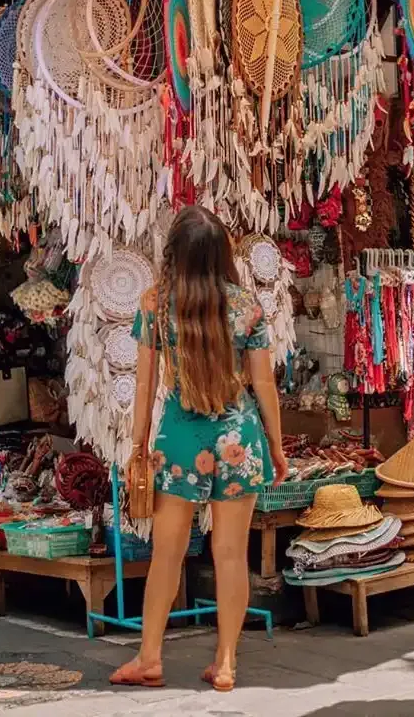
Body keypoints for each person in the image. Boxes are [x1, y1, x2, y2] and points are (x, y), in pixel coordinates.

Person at [110, 205, 287, 692]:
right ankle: (226, 663)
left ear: (174, 254)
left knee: (166, 553)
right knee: (230, 554)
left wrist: (139, 443)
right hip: (239, 438)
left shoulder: (154, 304)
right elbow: (264, 383)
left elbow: (144, 385)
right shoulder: (247, 306)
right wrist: (275, 445)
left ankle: (149, 658)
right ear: (222, 253)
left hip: (179, 440)